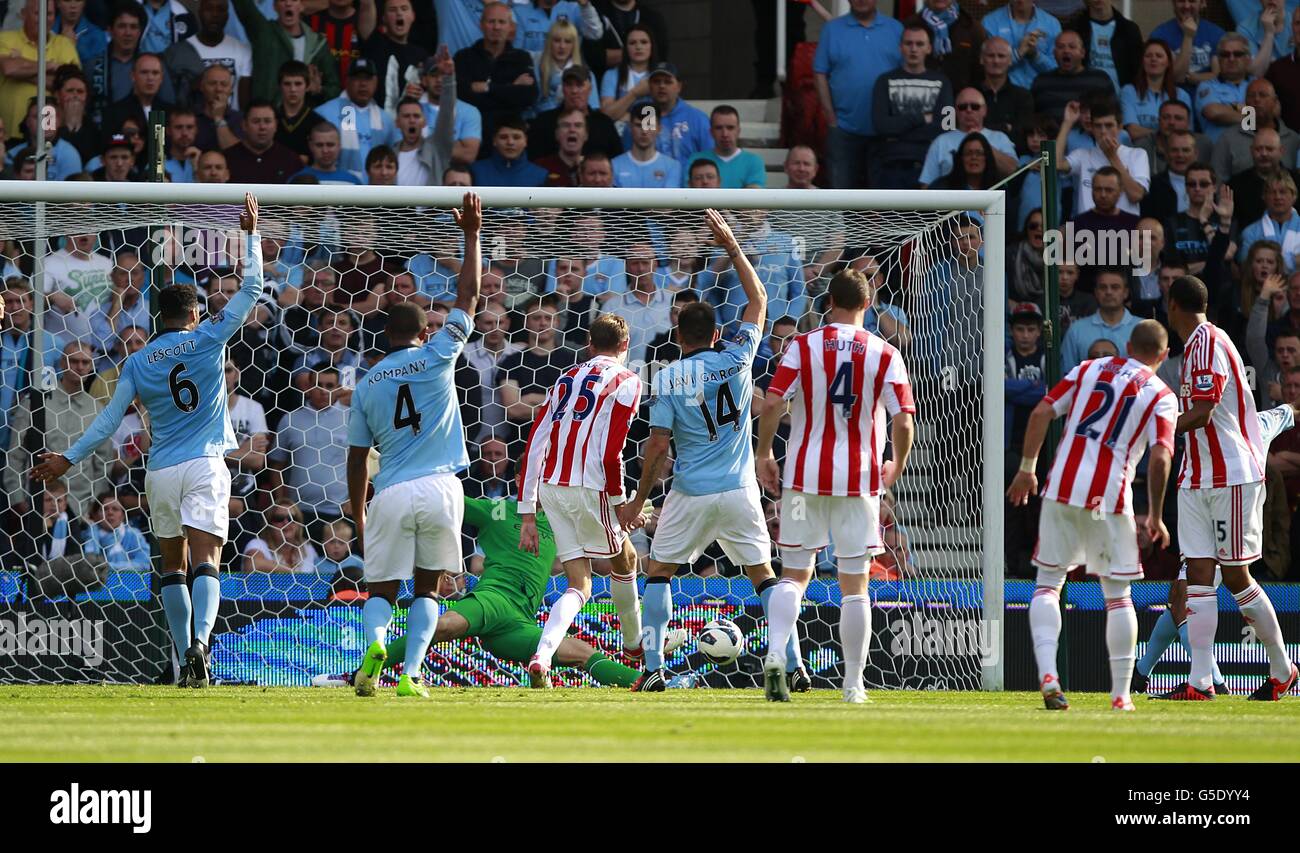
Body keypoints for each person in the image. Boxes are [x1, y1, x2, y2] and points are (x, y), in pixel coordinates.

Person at [33, 193, 263, 690]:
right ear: (196, 313)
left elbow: (107, 421)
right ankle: (201, 644)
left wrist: (66, 459)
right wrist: (250, 233)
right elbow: (256, 285)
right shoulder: (209, 339)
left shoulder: (137, 361)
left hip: (160, 471)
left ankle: (181, 661)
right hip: (205, 463)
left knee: (172, 567)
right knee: (208, 561)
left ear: (157, 317)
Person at [616, 209, 801, 695]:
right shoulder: (738, 356)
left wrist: (638, 499)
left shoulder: (669, 377)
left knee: (659, 573)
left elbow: (658, 445)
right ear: (715, 333)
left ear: (678, 337)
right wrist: (732, 246)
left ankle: (654, 667)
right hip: (740, 488)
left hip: (691, 491)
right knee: (764, 576)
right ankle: (793, 663)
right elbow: (758, 300)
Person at [315, 496, 685, 689]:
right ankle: (355, 675)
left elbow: (607, 566)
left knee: (581, 652)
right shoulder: (497, 510)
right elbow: (444, 507)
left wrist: (625, 526)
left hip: (518, 621)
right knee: (443, 627)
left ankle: (648, 682)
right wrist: (376, 503)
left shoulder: (564, 524)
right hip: (493, 599)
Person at [755, 267, 916, 704]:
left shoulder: (803, 345)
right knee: (855, 584)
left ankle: (775, 656)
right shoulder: (884, 351)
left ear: (828, 303)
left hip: (805, 476)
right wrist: (896, 464)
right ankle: (853, 685)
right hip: (859, 481)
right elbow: (903, 418)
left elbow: (773, 401)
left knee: (793, 575)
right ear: (868, 304)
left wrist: (764, 452)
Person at [347, 192, 482, 700]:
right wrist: (471, 233)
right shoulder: (438, 355)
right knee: (428, 587)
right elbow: (468, 298)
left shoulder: (366, 384)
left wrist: (357, 510)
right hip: (443, 487)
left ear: (384, 337)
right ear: (425, 332)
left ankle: (376, 646)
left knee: (382, 589)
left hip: (392, 490)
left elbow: (357, 457)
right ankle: (411, 674)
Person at [1007, 319, 1177, 712]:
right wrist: (1153, 513)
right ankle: (1121, 695)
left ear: (1128, 345)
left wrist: (1027, 468)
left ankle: (1049, 677)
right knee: (1117, 595)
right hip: (1109, 498)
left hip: (1061, 486)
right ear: (1163, 356)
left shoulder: (1087, 369)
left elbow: (1041, 413)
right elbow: (1162, 455)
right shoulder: (1161, 394)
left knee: (1048, 582)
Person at [1155, 274, 1299, 701]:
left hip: (1231, 477)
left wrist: (1157, 432)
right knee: (1198, 575)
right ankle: (1201, 682)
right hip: (1196, 477)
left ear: (1172, 305)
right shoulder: (1194, 347)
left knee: (1236, 575)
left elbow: (1202, 413)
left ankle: (1283, 667)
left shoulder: (1207, 345)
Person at [516, 311, 644, 688]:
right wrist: (620, 501)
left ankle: (542, 656)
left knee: (579, 584)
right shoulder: (628, 381)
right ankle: (635, 645)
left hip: (552, 486)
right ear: (626, 345)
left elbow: (536, 441)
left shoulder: (565, 378)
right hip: (590, 486)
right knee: (626, 558)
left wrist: (527, 511)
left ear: (589, 344)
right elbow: (612, 450)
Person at [813, 0, 902, 189]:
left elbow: (906, 74)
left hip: (886, 132)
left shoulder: (895, 29)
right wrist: (831, 118)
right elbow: (820, 73)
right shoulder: (832, 30)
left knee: (884, 203)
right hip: (844, 130)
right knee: (841, 197)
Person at [870, 18, 952, 190]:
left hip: (929, 168)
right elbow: (882, 126)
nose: (914, 49)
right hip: (891, 167)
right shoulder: (885, 81)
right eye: (909, 43)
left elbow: (947, 126)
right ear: (900, 47)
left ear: (929, 48)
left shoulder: (943, 82)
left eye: (920, 44)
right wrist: (923, 118)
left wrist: (899, 131)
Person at [454, 1, 538, 137]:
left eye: (502, 22)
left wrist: (488, 88)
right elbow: (463, 96)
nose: (496, 27)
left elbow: (529, 96)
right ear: (481, 25)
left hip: (510, 134)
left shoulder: (521, 58)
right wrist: (511, 88)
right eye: (491, 22)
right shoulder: (463, 57)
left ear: (510, 27)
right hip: (472, 133)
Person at [233, 0, 341, 106]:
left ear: (302, 6)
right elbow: (244, 5)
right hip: (270, 116)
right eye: (282, 0)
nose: (288, 3)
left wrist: (319, 90)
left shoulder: (318, 44)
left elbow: (334, 89)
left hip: (305, 118)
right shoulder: (264, 33)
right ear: (274, 6)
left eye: (294, 0)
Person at [1056, 97, 1149, 217]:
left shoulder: (1137, 154)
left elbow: (1136, 195)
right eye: (1098, 126)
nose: (1103, 131)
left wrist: (1112, 157)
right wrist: (1067, 123)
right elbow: (1056, 164)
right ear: (1092, 128)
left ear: (1120, 127)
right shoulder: (1083, 155)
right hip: (1088, 231)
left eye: (1109, 125)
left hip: (1124, 232)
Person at [0, 0, 81, 137]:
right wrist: (50, 65)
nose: (43, 19)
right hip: (9, 135)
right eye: (38, 13)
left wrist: (22, 70)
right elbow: (9, 69)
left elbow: (67, 86)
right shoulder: (4, 39)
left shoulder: (65, 45)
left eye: (48, 14)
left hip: (50, 135)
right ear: (23, 14)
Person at [312, 57, 399, 174]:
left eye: (367, 79)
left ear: (376, 81)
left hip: (375, 189)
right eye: (357, 78)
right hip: (338, 186)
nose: (363, 84)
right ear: (347, 81)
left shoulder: (386, 119)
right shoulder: (324, 113)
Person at [917, 88, 1017, 187]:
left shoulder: (1000, 138)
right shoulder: (940, 142)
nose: (968, 110)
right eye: (962, 107)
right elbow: (927, 184)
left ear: (984, 110)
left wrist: (982, 143)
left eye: (975, 106)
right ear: (955, 111)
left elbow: (1013, 172)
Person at [1211, 78, 1299, 185]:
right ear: (1245, 102)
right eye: (1251, 96)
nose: (1256, 100)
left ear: (1275, 101)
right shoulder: (1228, 139)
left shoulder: (1294, 140)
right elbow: (1217, 182)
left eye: (1263, 95)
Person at [1060, 267, 1140, 371]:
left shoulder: (1141, 328)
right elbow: (1067, 375)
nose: (1108, 292)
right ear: (1096, 293)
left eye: (1115, 287)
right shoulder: (1076, 330)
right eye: (1103, 287)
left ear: (1125, 293)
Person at [1029, 28, 1112, 121]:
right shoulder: (1041, 81)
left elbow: (1113, 115)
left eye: (1072, 47)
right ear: (1054, 53)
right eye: (1061, 47)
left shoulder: (1100, 79)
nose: (1066, 51)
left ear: (1082, 53)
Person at [980, 0, 1060, 90]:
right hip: (1002, 92)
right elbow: (986, 66)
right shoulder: (990, 22)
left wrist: (1035, 56)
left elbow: (1057, 70)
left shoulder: (1052, 24)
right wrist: (1018, 54)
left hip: (1042, 93)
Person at [1195, 33, 1256, 147]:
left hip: (1253, 153)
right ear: (1218, 60)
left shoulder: (1257, 83)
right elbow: (1214, 113)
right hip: (1218, 155)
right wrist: (1253, 118)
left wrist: (1228, 108)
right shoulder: (1207, 86)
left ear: (1247, 59)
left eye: (1237, 54)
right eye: (1225, 54)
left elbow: (1274, 111)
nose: (1231, 59)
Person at [223, 99, 304, 183]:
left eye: (267, 121)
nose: (262, 127)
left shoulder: (291, 160)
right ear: (244, 125)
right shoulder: (227, 160)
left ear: (276, 125)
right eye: (256, 121)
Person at [687, 104, 766, 189]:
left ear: (738, 131)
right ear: (711, 132)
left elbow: (752, 198)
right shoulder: (695, 160)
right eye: (719, 128)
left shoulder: (753, 162)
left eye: (730, 128)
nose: (725, 134)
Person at [611, 101, 680, 188]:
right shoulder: (614, 165)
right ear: (630, 127)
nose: (644, 131)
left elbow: (669, 200)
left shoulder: (672, 167)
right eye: (639, 125)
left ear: (659, 128)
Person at [470, 114, 547, 186]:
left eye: (516, 137)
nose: (510, 142)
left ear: (525, 141)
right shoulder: (475, 171)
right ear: (494, 141)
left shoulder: (541, 175)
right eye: (503, 137)